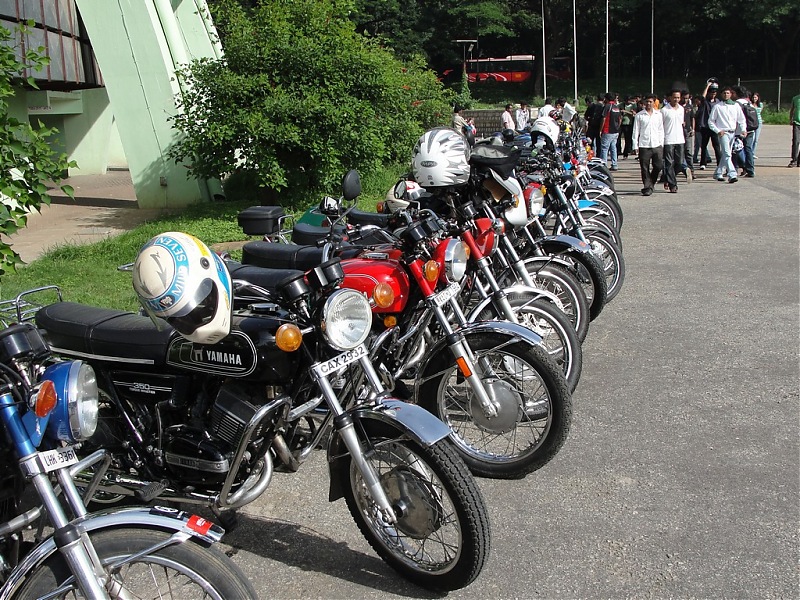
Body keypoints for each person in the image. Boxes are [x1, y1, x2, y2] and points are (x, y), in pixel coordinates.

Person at [707, 86, 746, 183]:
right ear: (721, 94)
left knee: (725, 154)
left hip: (732, 133)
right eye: (724, 93)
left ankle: (718, 173)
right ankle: (732, 174)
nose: (726, 95)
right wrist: (718, 131)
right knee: (728, 154)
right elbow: (711, 121)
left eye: (728, 93)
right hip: (723, 133)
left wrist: (743, 129)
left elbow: (741, 119)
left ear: (731, 94)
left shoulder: (736, 106)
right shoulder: (717, 106)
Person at [631, 94, 664, 196]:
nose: (649, 104)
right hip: (644, 145)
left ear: (654, 102)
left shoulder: (659, 115)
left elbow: (660, 130)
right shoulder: (639, 115)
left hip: (656, 144)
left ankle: (651, 183)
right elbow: (635, 131)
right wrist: (635, 146)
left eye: (651, 102)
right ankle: (647, 187)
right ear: (644, 103)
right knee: (644, 168)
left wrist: (661, 143)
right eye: (647, 102)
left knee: (658, 166)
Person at [661, 88, 686, 193]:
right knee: (669, 163)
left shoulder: (681, 109)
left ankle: (667, 177)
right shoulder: (664, 110)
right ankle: (673, 185)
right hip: (668, 139)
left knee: (679, 163)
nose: (676, 99)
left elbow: (681, 123)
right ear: (670, 98)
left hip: (680, 139)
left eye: (678, 98)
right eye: (674, 97)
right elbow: (660, 125)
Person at [695, 79, 721, 170]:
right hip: (705, 126)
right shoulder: (705, 102)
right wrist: (707, 86)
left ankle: (719, 163)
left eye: (714, 93)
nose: (713, 94)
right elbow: (702, 96)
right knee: (704, 145)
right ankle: (703, 163)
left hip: (714, 127)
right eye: (711, 92)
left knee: (716, 146)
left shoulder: (718, 102)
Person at [732, 85, 756, 178]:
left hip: (739, 130)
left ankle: (735, 168)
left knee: (735, 149)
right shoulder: (748, 102)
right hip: (750, 129)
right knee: (748, 149)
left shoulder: (737, 103)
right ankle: (750, 170)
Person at [598, 92, 622, 171]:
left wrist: (600, 130)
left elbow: (604, 118)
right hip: (616, 131)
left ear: (606, 99)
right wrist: (618, 127)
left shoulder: (607, 106)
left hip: (608, 130)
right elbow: (620, 119)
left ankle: (603, 165)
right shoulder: (616, 107)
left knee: (604, 148)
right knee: (613, 147)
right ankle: (614, 164)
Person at [680, 90, 695, 178]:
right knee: (680, 152)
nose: (685, 100)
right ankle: (683, 169)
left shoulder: (690, 107)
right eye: (684, 98)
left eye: (687, 98)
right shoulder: (678, 107)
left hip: (688, 131)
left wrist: (693, 129)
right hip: (680, 131)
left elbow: (693, 118)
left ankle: (691, 170)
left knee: (689, 151)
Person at [750, 91, 764, 159]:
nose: (754, 98)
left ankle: (752, 152)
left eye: (755, 97)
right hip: (752, 123)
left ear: (758, 98)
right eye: (753, 97)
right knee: (752, 138)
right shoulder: (749, 104)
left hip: (759, 122)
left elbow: (759, 112)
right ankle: (749, 152)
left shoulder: (760, 104)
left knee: (756, 139)